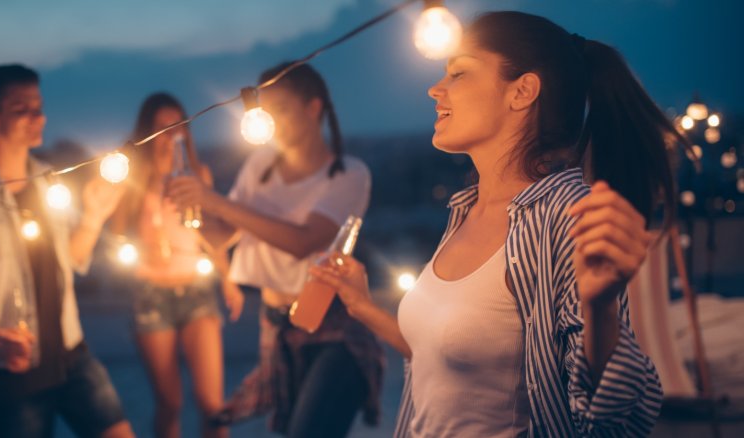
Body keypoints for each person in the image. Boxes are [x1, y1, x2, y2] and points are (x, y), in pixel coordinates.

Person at [310, 11, 686, 437]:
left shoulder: (562, 215)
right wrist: (363, 307)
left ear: (522, 91)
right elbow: (451, 361)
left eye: (458, 73)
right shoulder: (466, 209)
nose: (435, 89)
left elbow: (618, 414)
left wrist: (600, 310)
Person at [0, 64, 134, 438]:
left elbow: (73, 259)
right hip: (9, 370)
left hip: (70, 351)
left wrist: (95, 216)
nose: (39, 117)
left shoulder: (49, 182)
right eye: (23, 109)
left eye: (40, 106)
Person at [168, 62, 384, 438]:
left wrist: (216, 202)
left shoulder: (350, 173)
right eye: (266, 112)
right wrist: (193, 212)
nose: (272, 121)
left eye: (280, 109)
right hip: (276, 327)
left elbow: (303, 241)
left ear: (313, 108)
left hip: (334, 327)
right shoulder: (260, 166)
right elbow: (223, 237)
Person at [108, 92, 241, 438]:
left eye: (176, 127)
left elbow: (212, 234)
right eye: (161, 128)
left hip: (196, 288)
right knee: (169, 403)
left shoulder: (198, 175)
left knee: (212, 404)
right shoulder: (133, 180)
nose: (169, 136)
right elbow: (117, 232)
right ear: (147, 133)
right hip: (150, 293)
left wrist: (227, 279)